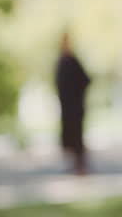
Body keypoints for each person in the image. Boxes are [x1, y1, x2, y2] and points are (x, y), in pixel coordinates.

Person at [55, 31, 91, 175]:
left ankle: (81, 166)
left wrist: (76, 94)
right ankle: (73, 165)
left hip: (75, 107)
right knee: (68, 136)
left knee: (77, 137)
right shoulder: (61, 61)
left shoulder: (73, 61)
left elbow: (86, 80)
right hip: (66, 107)